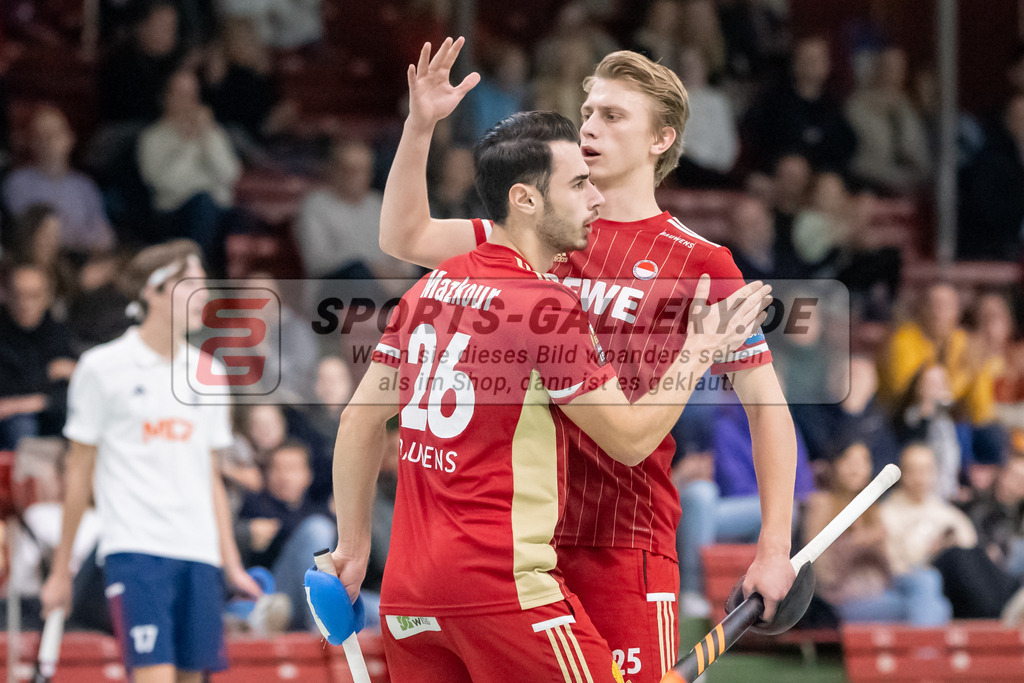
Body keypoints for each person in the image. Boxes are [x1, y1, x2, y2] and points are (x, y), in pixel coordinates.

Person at [376, 38, 799, 681]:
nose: (591, 126)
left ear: (662, 139)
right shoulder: (546, 225)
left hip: (623, 541)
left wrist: (774, 549)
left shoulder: (702, 264)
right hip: (516, 546)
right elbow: (405, 237)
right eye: (589, 111)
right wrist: (420, 127)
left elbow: (768, 410)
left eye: (613, 115)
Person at [40, 240, 262, 683]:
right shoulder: (101, 369)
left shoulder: (210, 373)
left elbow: (210, 476)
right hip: (136, 551)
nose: (203, 294)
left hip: (198, 552)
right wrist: (61, 570)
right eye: (190, 284)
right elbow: (79, 469)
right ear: (153, 292)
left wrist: (231, 562)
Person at [236, 441, 334, 631]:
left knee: (379, 608)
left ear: (308, 475)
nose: (284, 477)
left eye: (292, 469)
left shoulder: (317, 510)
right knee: (318, 529)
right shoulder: (253, 506)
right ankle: (323, 627)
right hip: (272, 599)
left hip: (313, 595)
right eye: (277, 469)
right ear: (266, 474)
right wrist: (246, 533)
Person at [2, 105, 116, 256]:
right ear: (32, 141)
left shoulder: (85, 185)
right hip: (40, 265)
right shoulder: (17, 183)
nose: (48, 141)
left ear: (69, 138)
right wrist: (80, 240)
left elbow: (105, 236)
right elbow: (33, 235)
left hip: (84, 263)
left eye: (55, 133)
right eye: (41, 135)